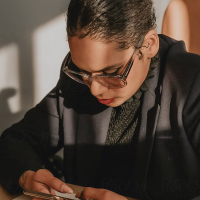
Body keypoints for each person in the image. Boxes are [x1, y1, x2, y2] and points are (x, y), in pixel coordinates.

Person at [0, 0, 200, 200]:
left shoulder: (192, 86)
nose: (94, 89)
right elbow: (17, 141)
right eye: (83, 72)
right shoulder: (78, 82)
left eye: (110, 72)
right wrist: (26, 176)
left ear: (149, 45)